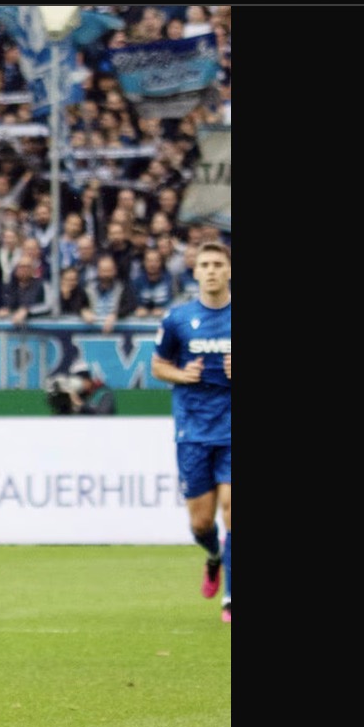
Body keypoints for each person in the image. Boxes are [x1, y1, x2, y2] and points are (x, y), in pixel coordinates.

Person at [152, 242, 232, 621]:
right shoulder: (178, 319)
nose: (212, 270)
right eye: (205, 265)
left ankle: (229, 598)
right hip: (194, 431)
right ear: (196, 272)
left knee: (231, 509)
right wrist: (182, 375)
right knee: (201, 522)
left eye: (218, 264)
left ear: (229, 271)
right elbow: (158, 366)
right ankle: (214, 555)